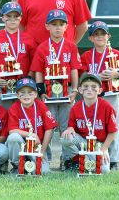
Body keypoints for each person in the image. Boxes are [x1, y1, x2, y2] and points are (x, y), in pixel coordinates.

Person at [80, 21, 119, 170]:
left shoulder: (115, 53)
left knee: (113, 126)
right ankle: (92, 155)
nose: (99, 37)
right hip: (92, 96)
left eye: (102, 34)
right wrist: (96, 76)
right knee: (92, 126)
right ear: (90, 38)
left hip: (110, 95)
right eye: (96, 34)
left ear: (108, 36)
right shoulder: (86, 55)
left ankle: (114, 160)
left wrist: (116, 73)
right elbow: (80, 75)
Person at [30, 9, 81, 164]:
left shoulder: (71, 46)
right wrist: (41, 92)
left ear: (66, 27)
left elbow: (74, 70)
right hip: (49, 94)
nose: (58, 28)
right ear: (47, 27)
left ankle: (68, 159)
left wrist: (74, 90)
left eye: (61, 24)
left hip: (66, 93)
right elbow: (38, 72)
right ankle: (46, 157)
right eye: (54, 24)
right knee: (48, 126)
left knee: (66, 127)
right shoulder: (43, 47)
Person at [61, 73, 118, 173]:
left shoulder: (107, 107)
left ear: (99, 90)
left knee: (104, 171)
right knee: (66, 138)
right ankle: (78, 160)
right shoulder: (76, 108)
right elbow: (71, 127)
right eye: (86, 86)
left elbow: (113, 131)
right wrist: (70, 128)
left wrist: (104, 149)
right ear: (80, 90)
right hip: (83, 142)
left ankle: (88, 161)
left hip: (98, 144)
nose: (89, 89)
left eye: (93, 86)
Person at [0, 2, 35, 109]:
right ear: (2, 18)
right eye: (9, 16)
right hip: (2, 86)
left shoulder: (28, 38)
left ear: (21, 18)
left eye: (16, 16)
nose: (12, 19)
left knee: (22, 115)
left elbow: (33, 62)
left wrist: (29, 77)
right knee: (3, 115)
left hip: (23, 85)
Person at [6, 77, 58, 174]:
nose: (26, 95)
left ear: (35, 94)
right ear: (17, 95)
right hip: (22, 145)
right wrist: (32, 135)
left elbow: (49, 129)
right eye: (22, 92)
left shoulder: (40, 105)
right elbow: (12, 131)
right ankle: (17, 166)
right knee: (13, 138)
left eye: (30, 92)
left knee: (43, 172)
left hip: (37, 147)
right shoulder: (14, 108)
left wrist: (42, 150)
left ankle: (30, 164)